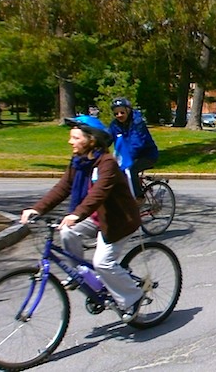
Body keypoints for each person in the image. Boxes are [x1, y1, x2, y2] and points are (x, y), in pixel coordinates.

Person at [19, 116, 143, 322]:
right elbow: (62, 188)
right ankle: (81, 274)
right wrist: (37, 209)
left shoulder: (107, 163)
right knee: (67, 231)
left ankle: (133, 297)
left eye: (76, 138)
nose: (70, 142)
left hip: (118, 220)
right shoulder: (79, 162)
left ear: (91, 140)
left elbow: (99, 193)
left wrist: (77, 214)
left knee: (102, 263)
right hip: (94, 217)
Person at [109, 97, 159, 201]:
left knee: (131, 170)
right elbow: (106, 138)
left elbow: (137, 143)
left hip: (147, 155)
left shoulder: (137, 123)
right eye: (116, 113)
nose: (119, 115)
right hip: (129, 156)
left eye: (122, 112)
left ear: (128, 110)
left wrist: (125, 158)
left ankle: (139, 197)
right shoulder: (115, 125)